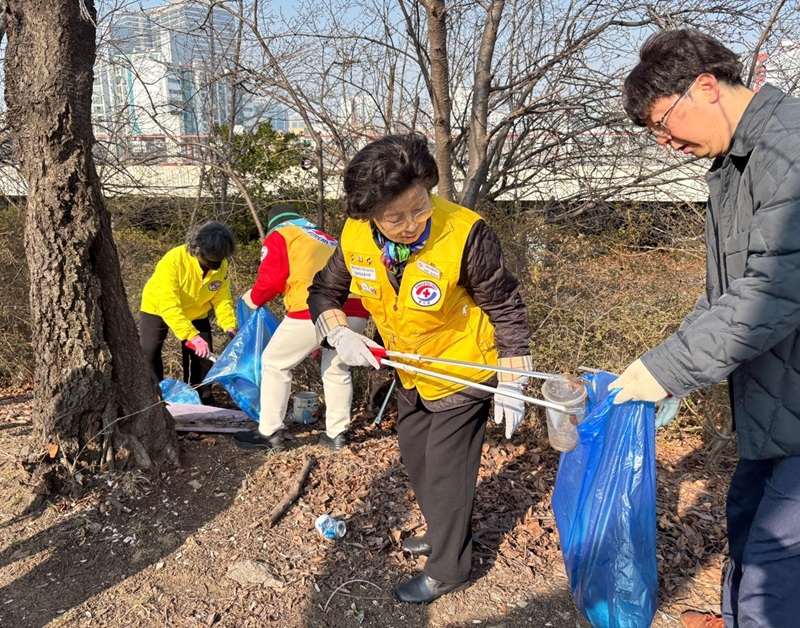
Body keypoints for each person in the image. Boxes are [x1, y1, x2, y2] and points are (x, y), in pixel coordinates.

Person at [616, 29, 800, 628]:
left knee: (774, 570)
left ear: (705, 87)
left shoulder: (789, 151)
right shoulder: (738, 163)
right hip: (777, 405)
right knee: (746, 528)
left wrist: (667, 368)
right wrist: (661, 367)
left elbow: (773, 290)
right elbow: (727, 295)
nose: (667, 143)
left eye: (666, 125)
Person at [307, 133, 533, 604]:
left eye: (421, 208)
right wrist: (339, 334)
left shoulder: (466, 233)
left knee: (448, 471)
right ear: (370, 215)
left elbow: (505, 304)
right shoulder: (352, 237)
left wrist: (513, 377)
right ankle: (442, 532)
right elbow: (322, 292)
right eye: (396, 218)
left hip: (463, 370)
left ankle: (450, 567)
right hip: (408, 370)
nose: (412, 224)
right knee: (417, 459)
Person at [232, 204, 370, 452]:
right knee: (336, 370)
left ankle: (270, 432)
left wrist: (251, 300)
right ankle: (336, 436)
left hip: (314, 308)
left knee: (275, 363)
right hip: (357, 306)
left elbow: (271, 279)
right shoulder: (324, 237)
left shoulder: (281, 234)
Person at [140, 221, 237, 405]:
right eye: (210, 260)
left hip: (197, 311)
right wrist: (191, 336)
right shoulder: (173, 261)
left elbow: (222, 298)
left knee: (204, 356)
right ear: (197, 250)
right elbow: (169, 304)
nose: (214, 266)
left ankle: (204, 397)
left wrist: (229, 325)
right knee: (149, 351)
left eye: (218, 261)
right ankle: (155, 398)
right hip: (158, 307)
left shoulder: (221, 264)